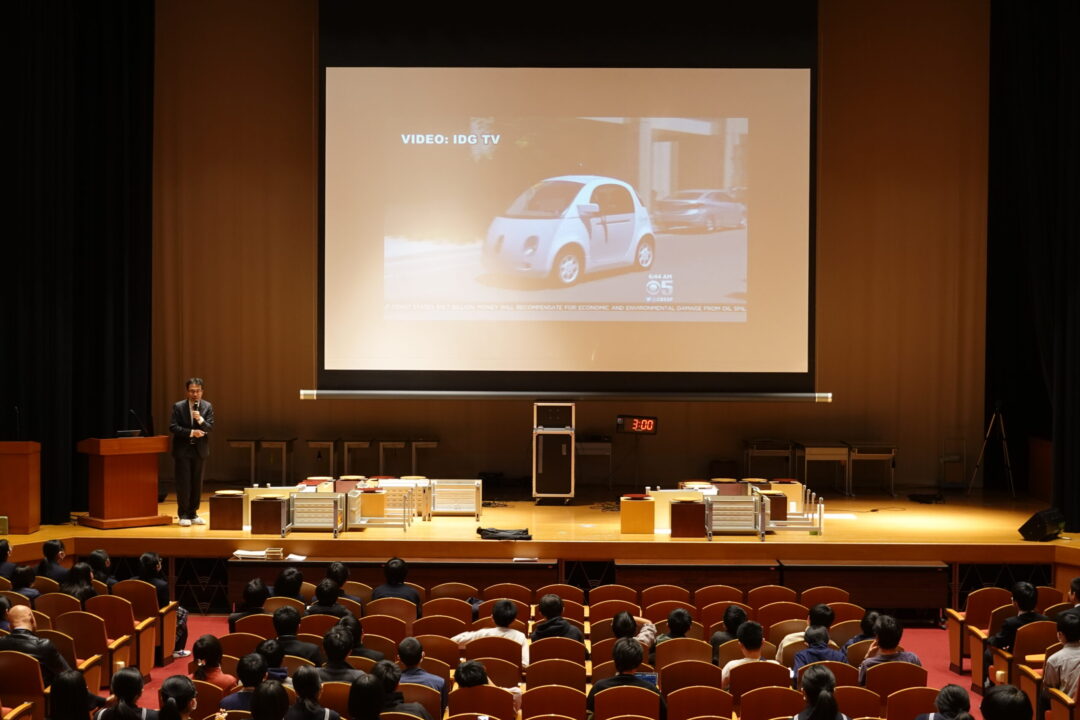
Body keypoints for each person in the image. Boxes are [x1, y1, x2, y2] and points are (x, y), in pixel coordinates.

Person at [586, 637, 666, 720]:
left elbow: (588, 715)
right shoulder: (652, 690)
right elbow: (665, 716)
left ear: (615, 660)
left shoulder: (599, 688)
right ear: (639, 662)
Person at [985, 582, 1048, 685]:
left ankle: (988, 685)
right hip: (1038, 663)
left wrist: (989, 639)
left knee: (988, 653)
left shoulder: (1011, 623)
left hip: (1014, 664)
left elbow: (998, 642)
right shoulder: (1046, 621)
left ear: (1015, 602)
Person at [170, 377, 213, 526]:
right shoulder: (178, 406)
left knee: (196, 483)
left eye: (198, 391)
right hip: (183, 450)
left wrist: (200, 420)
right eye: (192, 391)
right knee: (184, 483)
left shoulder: (207, 406)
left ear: (202, 391)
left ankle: (193, 513)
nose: (195, 394)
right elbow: (173, 427)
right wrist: (191, 432)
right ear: (187, 392)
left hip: (199, 450)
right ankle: (183, 514)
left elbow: (209, 427)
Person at [0, 604, 70, 684]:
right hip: (44, 694)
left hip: (7, 694)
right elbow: (66, 673)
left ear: (9, 626)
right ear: (32, 619)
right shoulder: (42, 645)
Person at [138, 552, 189, 657]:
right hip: (157, 619)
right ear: (157, 566)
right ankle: (175, 648)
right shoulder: (161, 585)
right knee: (182, 612)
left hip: (137, 618)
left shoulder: (130, 581)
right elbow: (165, 606)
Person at [450, 598, 529, 666]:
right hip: (510, 680)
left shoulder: (482, 634)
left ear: (492, 617)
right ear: (514, 621)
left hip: (480, 678)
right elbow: (525, 664)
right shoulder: (521, 637)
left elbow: (453, 642)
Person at [857, 615, 922, 685]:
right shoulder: (912, 659)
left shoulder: (868, 664)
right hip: (905, 696)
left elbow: (859, 685)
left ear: (877, 638)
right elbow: (919, 684)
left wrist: (866, 657)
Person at [721, 620, 784, 689]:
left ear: (740, 645)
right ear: (763, 642)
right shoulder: (776, 666)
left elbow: (719, 688)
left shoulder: (731, 667)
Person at [1040, 610, 1080, 711]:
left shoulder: (1054, 660)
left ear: (1060, 634)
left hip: (1068, 707)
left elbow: (1050, 689)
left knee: (1042, 694)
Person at [398, 637, 448, 711]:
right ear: (423, 655)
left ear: (399, 659)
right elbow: (443, 712)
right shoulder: (439, 683)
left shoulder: (392, 684)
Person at [454, 660, 521, 713]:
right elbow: (514, 712)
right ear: (485, 677)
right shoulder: (510, 695)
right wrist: (492, 686)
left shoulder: (455, 699)